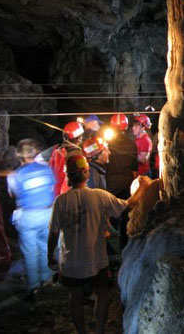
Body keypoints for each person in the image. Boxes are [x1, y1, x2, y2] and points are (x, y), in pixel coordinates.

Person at [47, 155, 144, 334]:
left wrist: (50, 257)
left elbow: (53, 233)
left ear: (68, 176)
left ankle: (82, 332)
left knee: (74, 297)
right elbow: (128, 205)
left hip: (71, 260)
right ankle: (99, 330)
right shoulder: (98, 196)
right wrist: (144, 186)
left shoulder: (61, 201)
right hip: (96, 259)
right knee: (101, 293)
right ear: (86, 173)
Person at [7, 139, 56, 301]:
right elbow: (51, 188)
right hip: (46, 213)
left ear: (19, 155)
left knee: (30, 252)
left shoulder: (16, 175)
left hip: (27, 216)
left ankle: (34, 287)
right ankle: (47, 279)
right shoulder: (46, 169)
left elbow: (13, 195)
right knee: (44, 247)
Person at [105, 114, 138, 249]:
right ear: (126, 127)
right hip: (126, 182)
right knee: (126, 216)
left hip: (111, 182)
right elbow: (134, 169)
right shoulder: (131, 144)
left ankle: (111, 249)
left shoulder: (108, 144)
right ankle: (125, 247)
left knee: (111, 217)